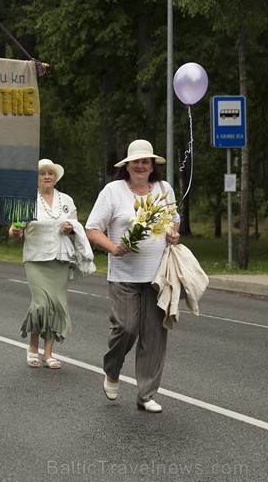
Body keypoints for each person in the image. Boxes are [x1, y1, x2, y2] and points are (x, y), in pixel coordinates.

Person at [85, 139, 180, 414]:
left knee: (154, 335)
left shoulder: (164, 189)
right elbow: (92, 229)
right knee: (126, 328)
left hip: (157, 277)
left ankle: (146, 394)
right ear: (126, 166)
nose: (140, 166)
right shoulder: (113, 191)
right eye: (136, 162)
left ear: (152, 167)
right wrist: (114, 247)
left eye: (145, 162)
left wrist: (174, 234)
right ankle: (112, 370)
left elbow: (173, 223)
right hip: (124, 275)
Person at [8, 159, 94, 370]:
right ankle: (32, 347)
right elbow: (13, 231)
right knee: (41, 305)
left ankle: (48, 353)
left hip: (60, 259)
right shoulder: (26, 200)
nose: (47, 176)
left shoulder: (66, 200)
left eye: (50, 173)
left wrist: (70, 228)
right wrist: (15, 232)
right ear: (35, 178)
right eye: (42, 173)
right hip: (36, 259)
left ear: (56, 177)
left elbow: (75, 226)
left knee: (56, 306)